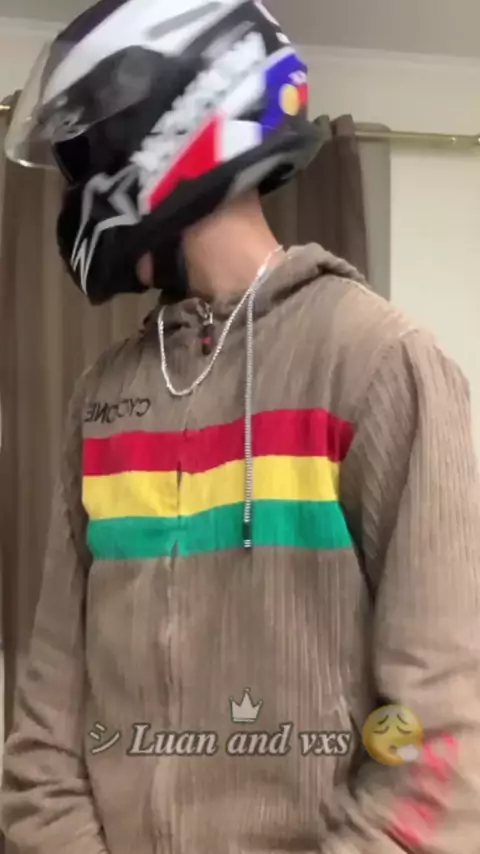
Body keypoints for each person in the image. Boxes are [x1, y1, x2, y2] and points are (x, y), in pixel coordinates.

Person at [3, 1, 480, 853]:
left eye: (82, 158)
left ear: (167, 126)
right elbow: (46, 727)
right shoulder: (100, 399)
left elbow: (438, 741)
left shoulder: (379, 364)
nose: (76, 193)